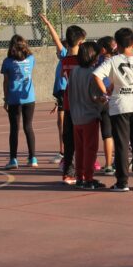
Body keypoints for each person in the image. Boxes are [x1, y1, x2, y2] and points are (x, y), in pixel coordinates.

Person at [93, 28, 133, 192]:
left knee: (122, 145)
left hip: (120, 106)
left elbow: (96, 75)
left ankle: (122, 182)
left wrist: (106, 90)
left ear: (116, 44)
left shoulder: (112, 61)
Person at [69, 41, 106, 189]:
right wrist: (104, 100)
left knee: (80, 149)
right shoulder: (92, 74)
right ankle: (89, 178)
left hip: (76, 117)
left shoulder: (74, 71)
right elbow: (94, 97)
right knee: (90, 149)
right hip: (89, 116)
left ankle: (79, 177)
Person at [1, 35, 37, 170]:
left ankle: (13, 159)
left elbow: (6, 82)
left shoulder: (7, 62)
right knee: (28, 126)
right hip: (29, 98)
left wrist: (6, 98)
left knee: (14, 128)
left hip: (14, 98)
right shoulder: (31, 59)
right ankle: (32, 157)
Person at [59, 24, 87, 185]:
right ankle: (81, 172)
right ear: (81, 42)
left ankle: (68, 173)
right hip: (81, 105)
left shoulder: (65, 61)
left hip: (69, 103)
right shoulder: (82, 62)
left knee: (69, 140)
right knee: (81, 140)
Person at [39, 14, 66, 165]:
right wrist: (57, 103)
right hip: (62, 95)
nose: (57, 51)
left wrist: (49, 24)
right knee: (61, 123)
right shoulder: (64, 60)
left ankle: (63, 152)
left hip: (65, 94)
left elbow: (56, 40)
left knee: (62, 123)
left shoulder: (65, 56)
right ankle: (64, 151)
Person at [95, 36, 116, 176]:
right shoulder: (118, 60)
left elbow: (96, 77)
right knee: (109, 134)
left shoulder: (99, 62)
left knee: (104, 134)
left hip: (102, 99)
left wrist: (104, 92)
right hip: (111, 100)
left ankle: (95, 163)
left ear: (102, 49)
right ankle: (109, 164)